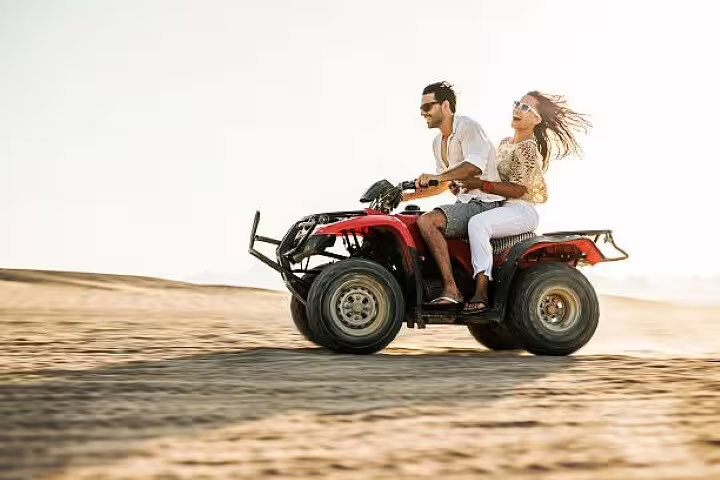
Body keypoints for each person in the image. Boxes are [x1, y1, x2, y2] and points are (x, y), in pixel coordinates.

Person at [457, 91, 592, 314]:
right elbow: (493, 179)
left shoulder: (529, 148)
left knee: (478, 225)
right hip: (499, 207)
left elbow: (519, 189)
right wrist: (466, 185)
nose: (518, 109)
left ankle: (481, 291)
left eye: (526, 108)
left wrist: (480, 184)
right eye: (518, 104)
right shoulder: (503, 144)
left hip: (521, 210)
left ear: (537, 120)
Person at [403, 81, 505, 305]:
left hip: (484, 203)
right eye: (421, 109)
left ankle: (452, 290)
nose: (422, 113)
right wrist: (407, 197)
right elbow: (440, 184)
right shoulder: (438, 142)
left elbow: (473, 167)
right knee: (410, 220)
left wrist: (438, 177)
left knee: (428, 222)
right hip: (465, 204)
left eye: (427, 107)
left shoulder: (468, 127)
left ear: (446, 105)